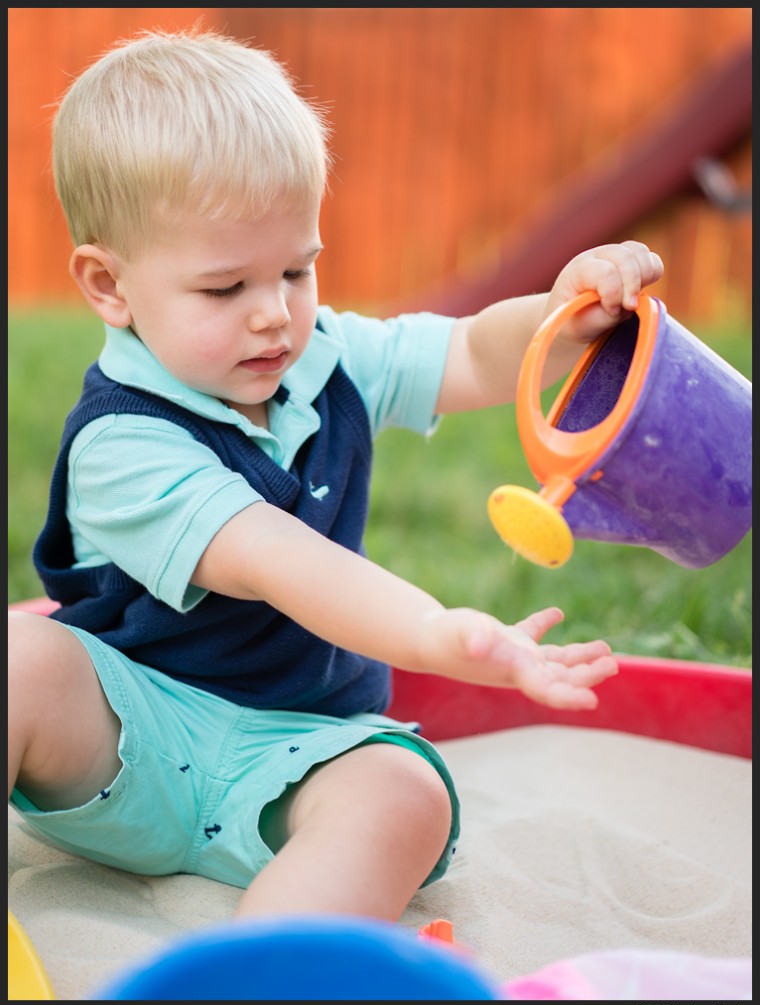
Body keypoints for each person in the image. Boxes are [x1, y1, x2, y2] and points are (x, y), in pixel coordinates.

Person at [8, 28, 663, 925]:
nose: (274, 314)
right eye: (225, 287)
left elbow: (471, 349)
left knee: (406, 794)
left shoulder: (326, 358)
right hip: (135, 738)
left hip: (302, 750)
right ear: (109, 286)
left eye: (296, 268)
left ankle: (271, 968)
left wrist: (564, 315)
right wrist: (442, 635)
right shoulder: (124, 443)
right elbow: (284, 561)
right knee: (17, 661)